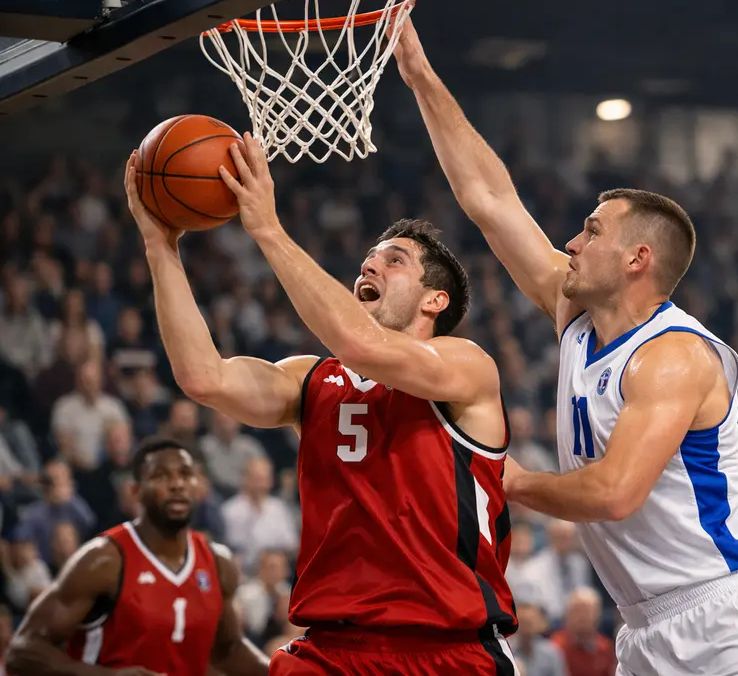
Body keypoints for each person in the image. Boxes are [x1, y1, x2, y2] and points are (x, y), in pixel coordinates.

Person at [392, 20, 738, 675]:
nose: (570, 242)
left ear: (636, 259)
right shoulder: (574, 313)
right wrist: (423, 79)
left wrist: (493, 474)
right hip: (643, 628)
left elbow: (614, 492)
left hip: (729, 619)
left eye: (590, 232)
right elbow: (488, 200)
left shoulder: (673, 356)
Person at [121, 143, 518, 674]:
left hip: (445, 647)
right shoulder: (312, 377)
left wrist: (268, 229)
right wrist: (159, 247)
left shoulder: (466, 365)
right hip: (331, 648)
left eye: (394, 261)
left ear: (434, 301)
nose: (371, 265)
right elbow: (203, 376)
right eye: (368, 260)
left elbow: (364, 346)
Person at [5, 438, 268, 676]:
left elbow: (229, 651)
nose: (177, 484)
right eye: (162, 476)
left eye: (186, 475)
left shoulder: (218, 562)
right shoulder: (103, 560)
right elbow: (22, 651)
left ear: (198, 487)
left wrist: (284, 672)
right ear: (135, 491)